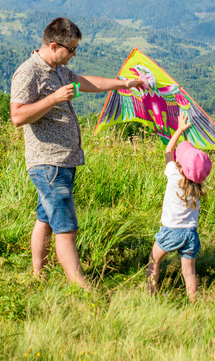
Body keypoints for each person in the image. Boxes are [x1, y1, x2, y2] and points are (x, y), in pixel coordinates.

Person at [10, 17, 143, 288]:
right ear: (55, 45)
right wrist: (53, 99)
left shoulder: (58, 69)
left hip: (62, 162)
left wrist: (124, 84)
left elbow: (84, 82)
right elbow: (17, 116)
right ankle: (82, 287)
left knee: (45, 219)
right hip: (49, 161)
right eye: (71, 50)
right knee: (66, 228)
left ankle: (38, 275)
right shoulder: (29, 72)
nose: (74, 54)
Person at [146, 116, 212, 301]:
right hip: (191, 234)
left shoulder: (174, 175)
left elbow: (168, 151)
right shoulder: (199, 186)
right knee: (189, 272)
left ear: (181, 167)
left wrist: (180, 129)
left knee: (154, 261)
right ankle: (193, 301)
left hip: (171, 231)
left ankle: (150, 295)